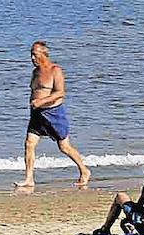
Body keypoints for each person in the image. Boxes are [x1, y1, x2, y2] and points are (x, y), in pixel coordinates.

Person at [14, 41, 90, 190]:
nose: (32, 58)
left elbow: (60, 93)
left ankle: (84, 170)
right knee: (29, 144)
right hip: (36, 115)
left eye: (34, 55)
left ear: (43, 54)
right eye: (31, 55)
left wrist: (41, 101)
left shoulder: (55, 70)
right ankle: (29, 179)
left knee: (64, 147)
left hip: (54, 114)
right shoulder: (35, 72)